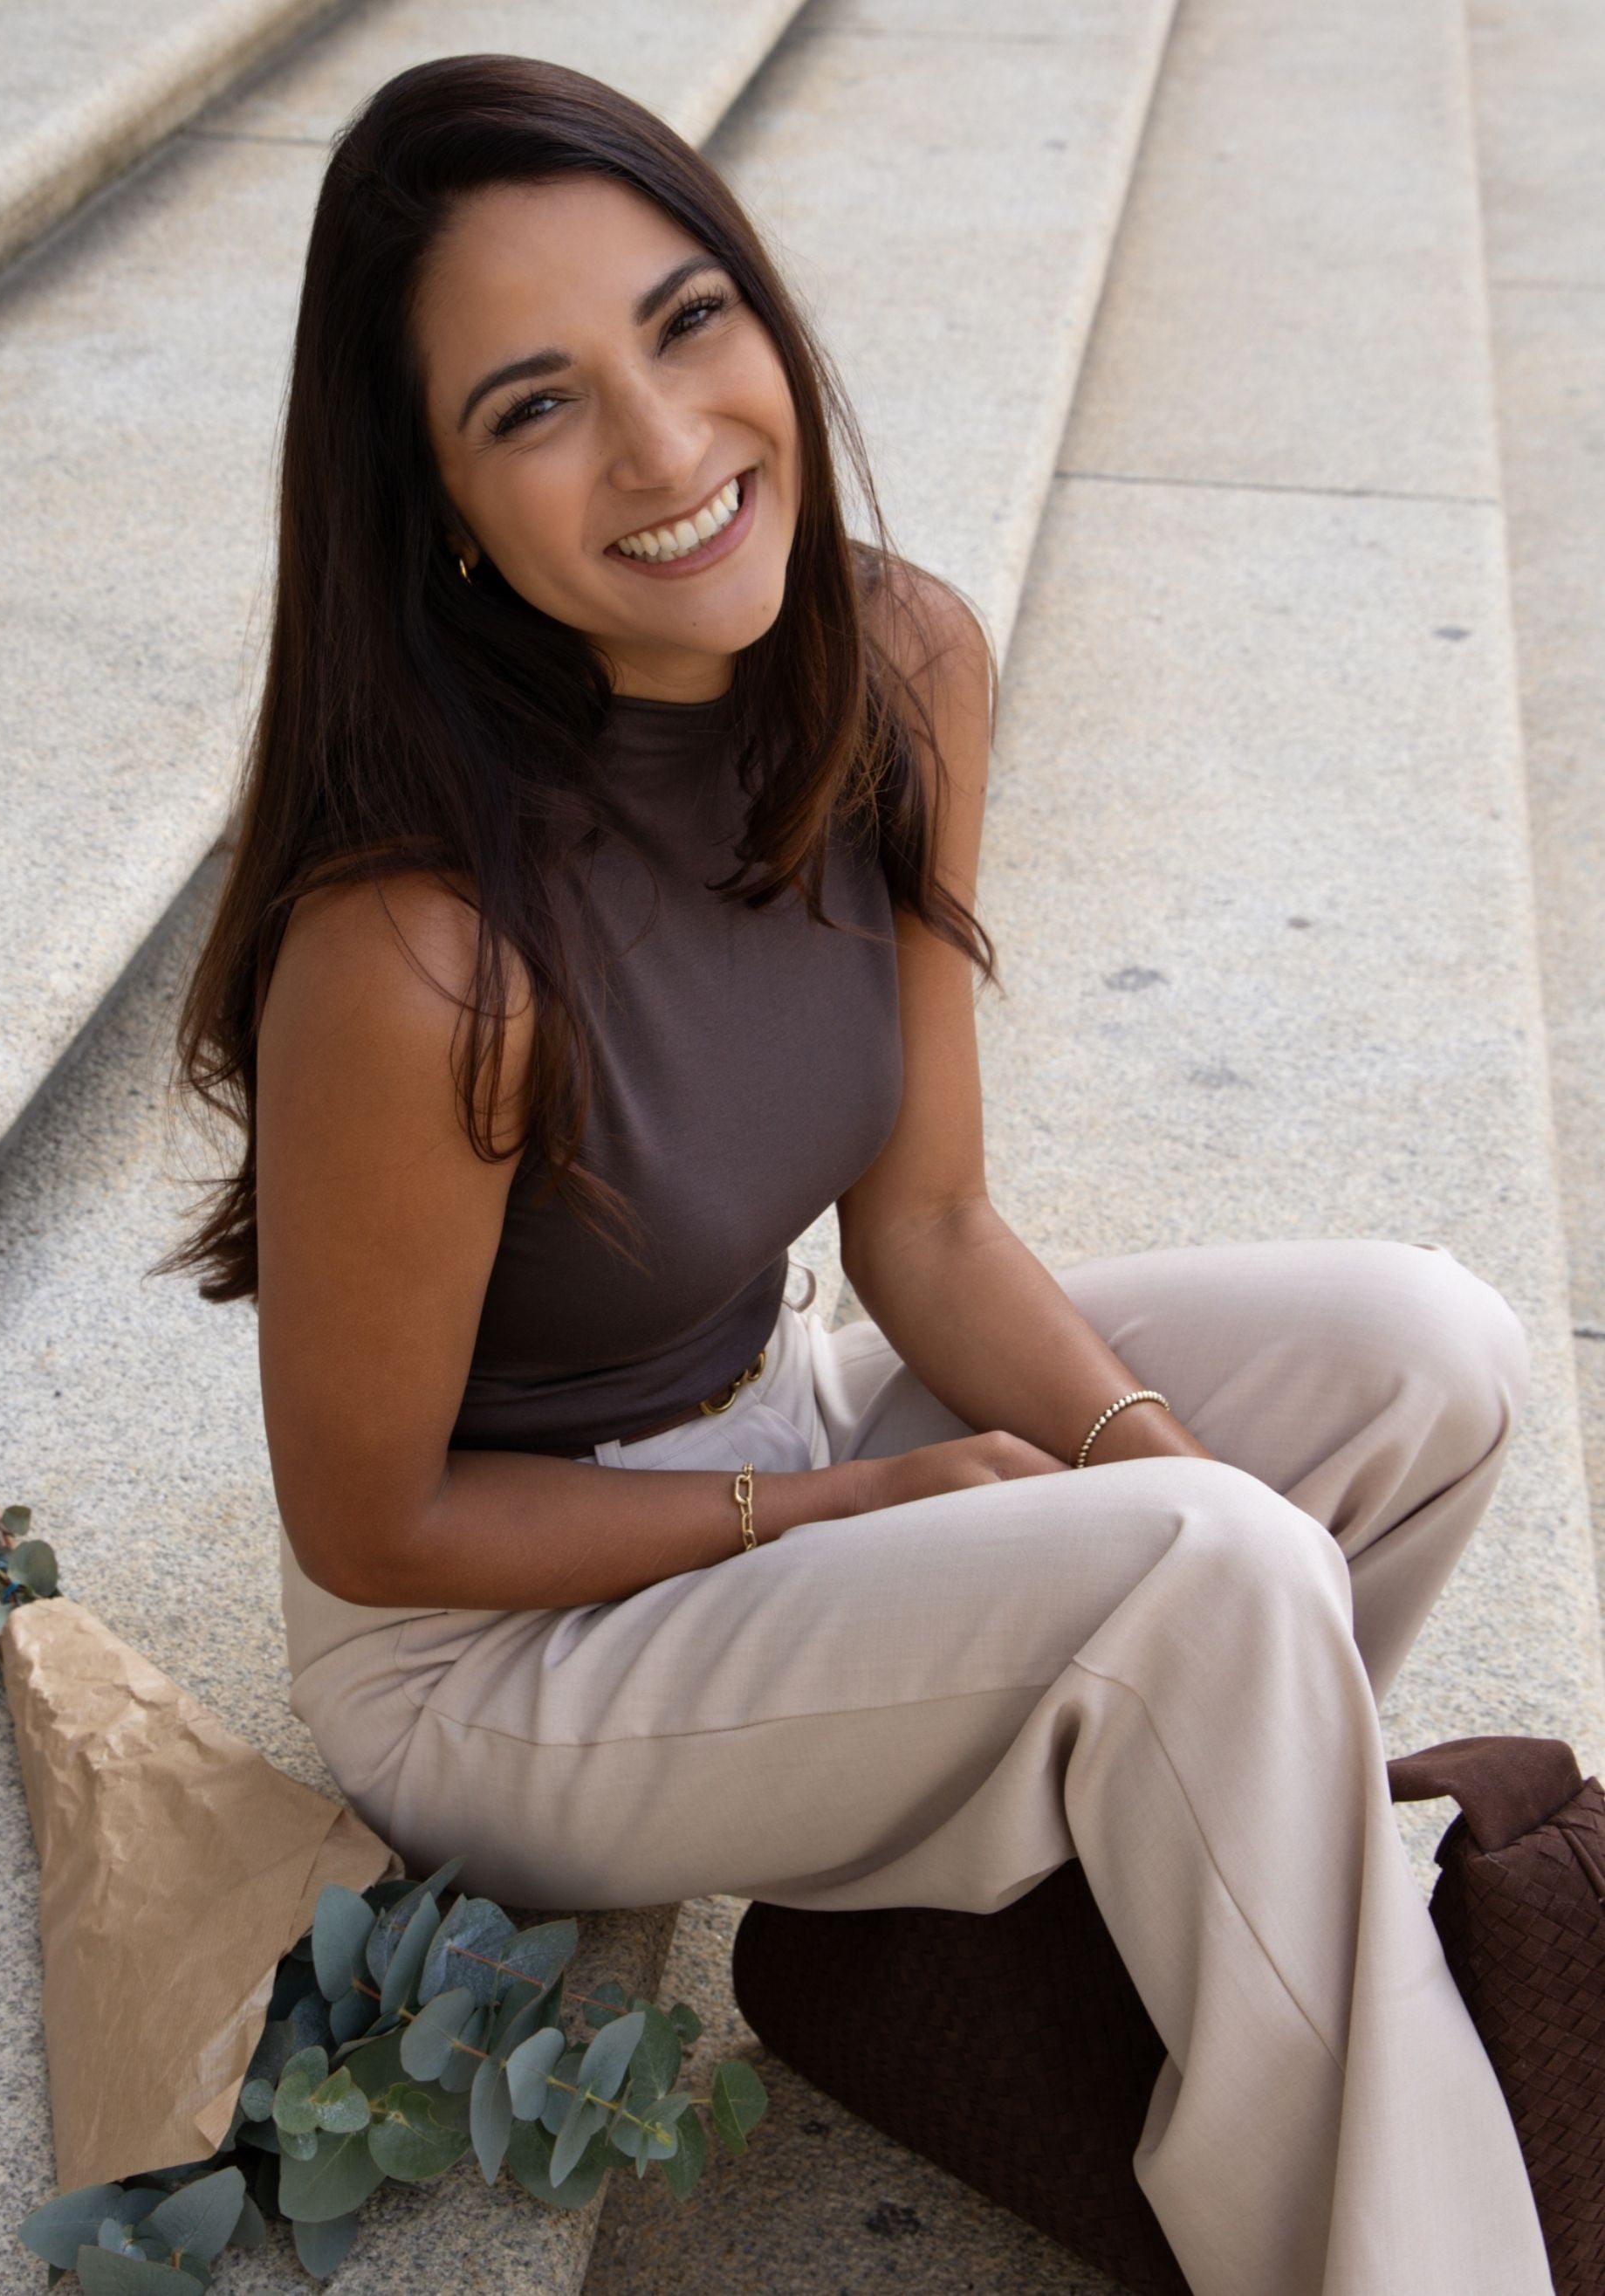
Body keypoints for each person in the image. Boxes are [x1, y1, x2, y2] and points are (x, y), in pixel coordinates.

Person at [158, 52, 1556, 2296]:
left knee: (1430, 1353)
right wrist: (843, 1513)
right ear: (439, 508)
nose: (665, 448)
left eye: (686, 322)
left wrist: (1159, 1474)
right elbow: (377, 1526)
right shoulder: (420, 952)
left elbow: (924, 1227)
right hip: (502, 1654)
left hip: (784, 1419)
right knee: (1202, 1570)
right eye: (536, 407)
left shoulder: (901, 666)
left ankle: (1106, 1929)